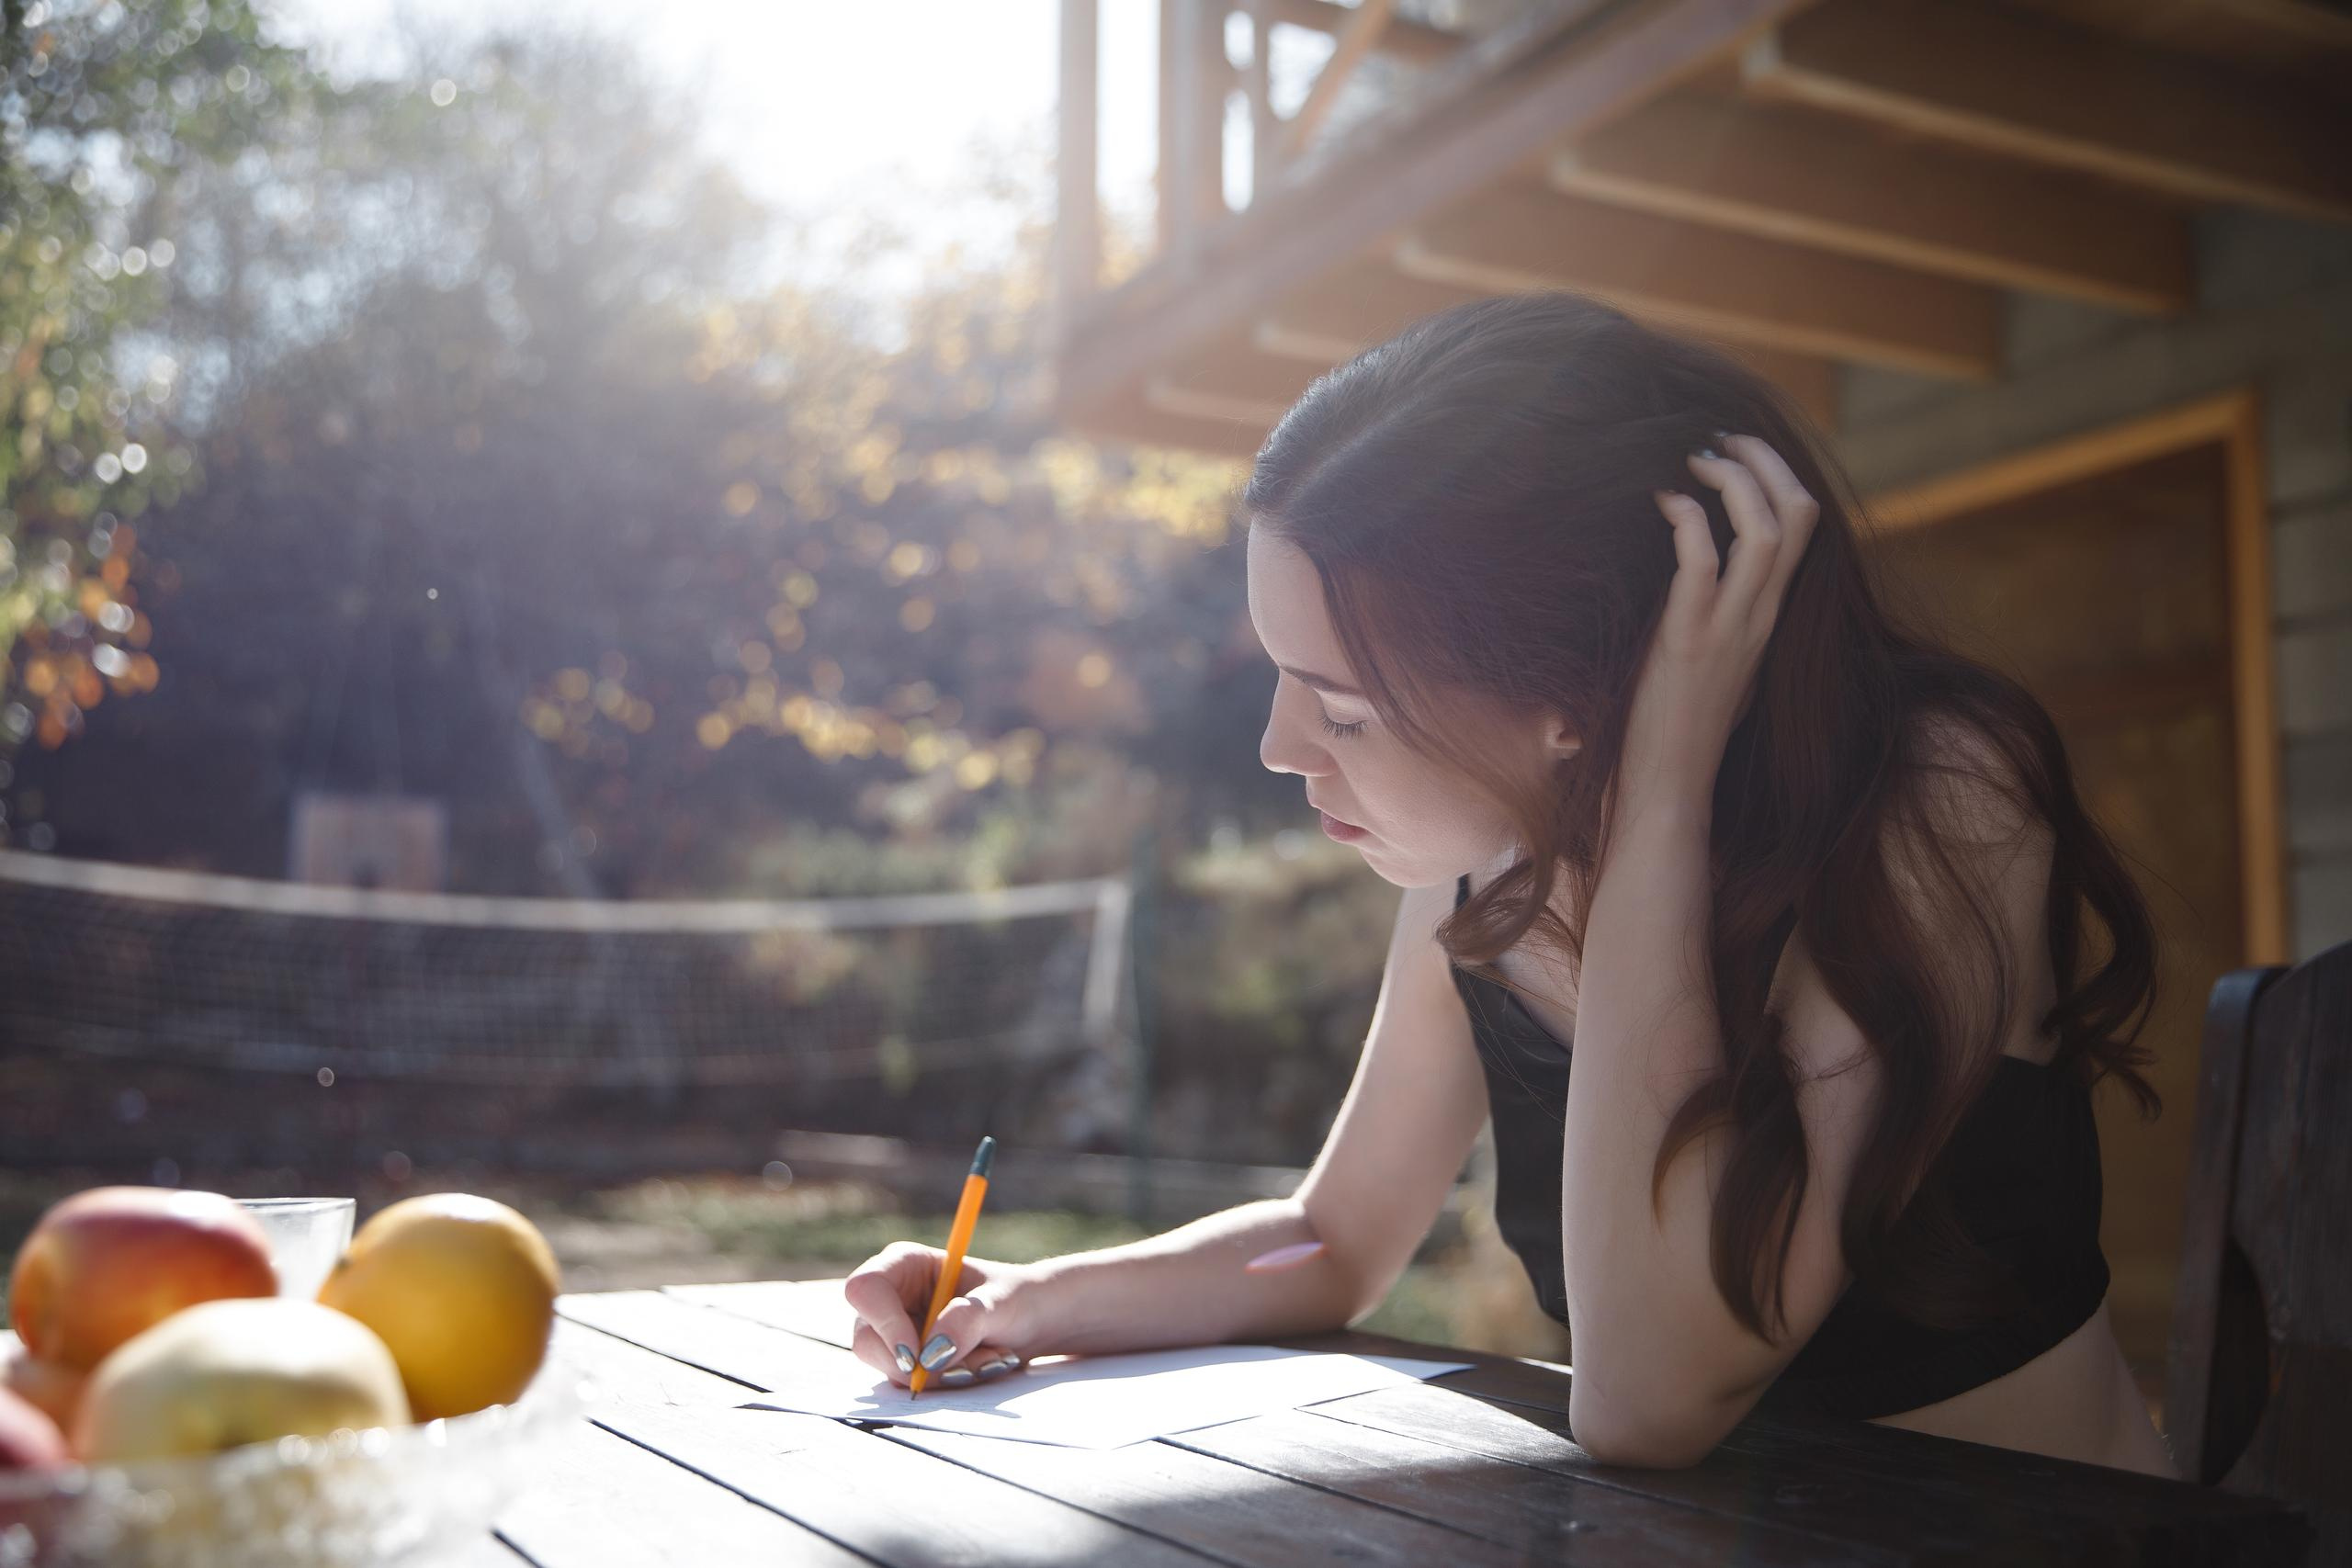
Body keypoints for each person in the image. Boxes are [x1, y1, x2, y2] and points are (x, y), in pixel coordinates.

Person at [843, 291, 2175, 1475]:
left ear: (1580, 701)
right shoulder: (1494, 859)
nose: (1276, 749)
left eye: (1343, 709)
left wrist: (1659, 793)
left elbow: (1653, 1401)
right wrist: (1026, 1302)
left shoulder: (1938, 796)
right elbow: (1336, 1234)